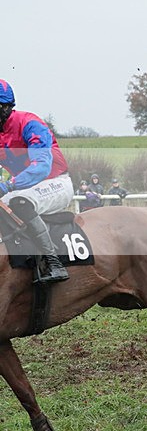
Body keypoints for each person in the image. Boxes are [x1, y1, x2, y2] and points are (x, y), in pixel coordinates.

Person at [0, 79, 71, 283]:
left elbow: (41, 166)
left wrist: (8, 185)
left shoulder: (30, 123)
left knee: (19, 202)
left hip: (56, 182)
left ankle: (54, 263)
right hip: (26, 187)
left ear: (5, 107)